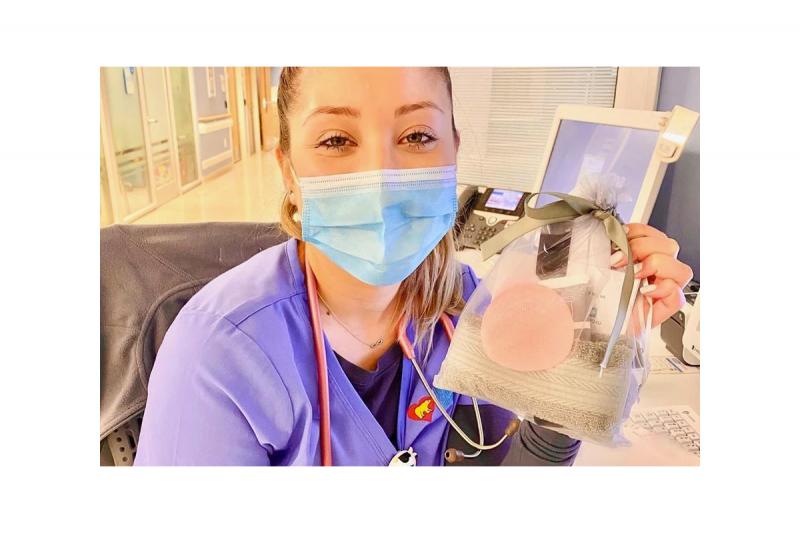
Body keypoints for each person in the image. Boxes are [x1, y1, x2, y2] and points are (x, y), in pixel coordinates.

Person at [134, 67, 694, 466]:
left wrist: (588, 348)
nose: (382, 174)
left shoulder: (466, 307)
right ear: (288, 170)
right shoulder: (219, 355)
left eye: (418, 136)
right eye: (335, 140)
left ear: (454, 151)